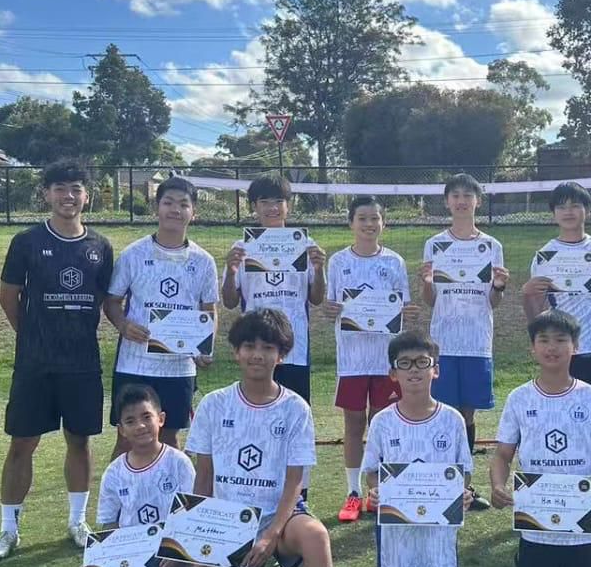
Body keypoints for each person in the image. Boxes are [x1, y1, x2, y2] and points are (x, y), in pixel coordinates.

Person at [185, 308, 338, 567]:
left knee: (317, 537)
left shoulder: (295, 408)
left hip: (280, 517)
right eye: (249, 345)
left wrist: (271, 533)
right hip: (230, 524)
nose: (258, 354)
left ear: (281, 355)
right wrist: (202, 548)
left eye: (268, 347)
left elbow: (295, 481)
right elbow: (204, 477)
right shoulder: (215, 405)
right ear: (236, 352)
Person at [0, 161, 114, 562]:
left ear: (87, 195)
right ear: (46, 194)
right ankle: (8, 530)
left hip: (82, 364)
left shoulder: (101, 246)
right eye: (60, 188)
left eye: (75, 188)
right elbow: (8, 297)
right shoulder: (26, 241)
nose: (68, 196)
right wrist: (32, 338)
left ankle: (77, 522)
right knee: (22, 443)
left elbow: (104, 299)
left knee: (80, 441)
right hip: (36, 364)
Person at [490, 310, 591, 567]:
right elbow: (502, 455)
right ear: (532, 348)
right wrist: (498, 485)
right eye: (543, 340)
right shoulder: (519, 398)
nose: (552, 347)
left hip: (583, 518)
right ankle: (528, 562)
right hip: (536, 520)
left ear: (575, 346)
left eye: (561, 340)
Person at [361, 330, 473, 567]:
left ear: (435, 370)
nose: (414, 370)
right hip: (396, 534)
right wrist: (375, 491)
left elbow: (464, 471)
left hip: (437, 534)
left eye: (422, 362)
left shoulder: (452, 420)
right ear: (393, 373)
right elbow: (371, 471)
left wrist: (462, 493)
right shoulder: (382, 421)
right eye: (405, 363)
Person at [103, 176, 218, 454]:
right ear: (157, 207)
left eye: (183, 204)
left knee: (169, 438)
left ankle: (169, 486)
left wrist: (205, 347)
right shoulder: (133, 254)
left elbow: (209, 309)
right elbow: (112, 301)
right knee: (127, 439)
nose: (175, 210)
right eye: (168, 202)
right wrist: (123, 325)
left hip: (178, 367)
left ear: (193, 212)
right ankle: (119, 486)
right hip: (135, 364)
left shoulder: (203, 261)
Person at [420, 172, 508, 510]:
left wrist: (498, 287)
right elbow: (430, 300)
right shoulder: (435, 244)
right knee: (443, 414)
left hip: (476, 342)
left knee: (467, 416)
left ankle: (465, 487)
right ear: (447, 202)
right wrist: (427, 282)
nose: (461, 201)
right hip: (443, 342)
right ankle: (438, 483)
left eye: (467, 195)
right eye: (455, 195)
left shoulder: (492, 246)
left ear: (477, 201)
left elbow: (494, 301)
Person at [323, 195, 413, 523]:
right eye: (362, 218)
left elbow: (403, 305)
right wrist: (330, 309)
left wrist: (407, 312)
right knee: (353, 423)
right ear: (351, 222)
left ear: (383, 222)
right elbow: (330, 304)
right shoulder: (338, 261)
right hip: (352, 358)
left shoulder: (394, 262)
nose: (369, 224)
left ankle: (379, 492)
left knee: (381, 424)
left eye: (375, 218)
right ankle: (353, 492)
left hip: (385, 358)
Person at [86, 384, 196, 567]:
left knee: (203, 547)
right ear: (121, 430)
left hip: (175, 545)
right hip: (135, 550)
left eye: (147, 417)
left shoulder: (179, 463)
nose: (140, 426)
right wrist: (100, 561)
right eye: (130, 421)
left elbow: (191, 516)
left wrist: (177, 552)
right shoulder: (114, 472)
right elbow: (109, 524)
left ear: (161, 419)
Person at [220, 173, 326, 404]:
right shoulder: (242, 247)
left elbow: (317, 299)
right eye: (265, 202)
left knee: (295, 408)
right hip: (256, 345)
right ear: (254, 206)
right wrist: (231, 270)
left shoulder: (305, 245)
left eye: (279, 201)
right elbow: (229, 302)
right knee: (256, 407)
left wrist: (319, 270)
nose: (273, 208)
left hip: (294, 346)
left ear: (289, 205)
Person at [523, 181, 591, 412]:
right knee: (567, 415)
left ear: (588, 211)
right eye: (561, 207)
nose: (568, 212)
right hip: (566, 351)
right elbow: (538, 317)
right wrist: (527, 294)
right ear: (553, 213)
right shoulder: (544, 256)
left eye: (575, 205)